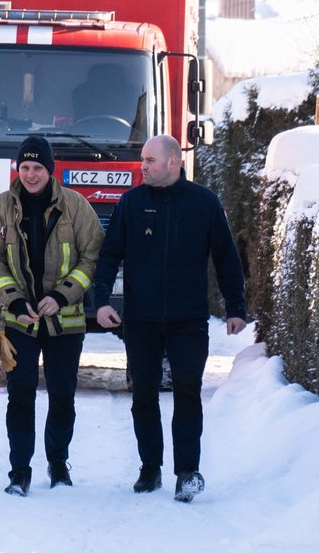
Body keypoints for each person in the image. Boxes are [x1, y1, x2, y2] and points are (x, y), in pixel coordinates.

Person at [91, 134, 246, 504]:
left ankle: (187, 471)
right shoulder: (131, 203)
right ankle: (150, 467)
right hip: (141, 319)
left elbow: (226, 258)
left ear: (174, 162)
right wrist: (100, 301)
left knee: (187, 394)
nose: (143, 166)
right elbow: (109, 255)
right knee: (143, 395)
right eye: (142, 160)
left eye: (150, 160)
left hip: (188, 320)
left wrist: (235, 308)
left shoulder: (204, 204)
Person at [0, 135, 104, 496]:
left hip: (65, 322)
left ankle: (58, 464)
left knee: (62, 395)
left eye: (38, 168)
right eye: (25, 167)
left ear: (51, 170)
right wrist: (14, 300)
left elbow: (91, 257)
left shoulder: (77, 207)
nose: (31, 175)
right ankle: (19, 471)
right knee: (20, 396)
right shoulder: (2, 206)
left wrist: (63, 296)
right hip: (19, 321)